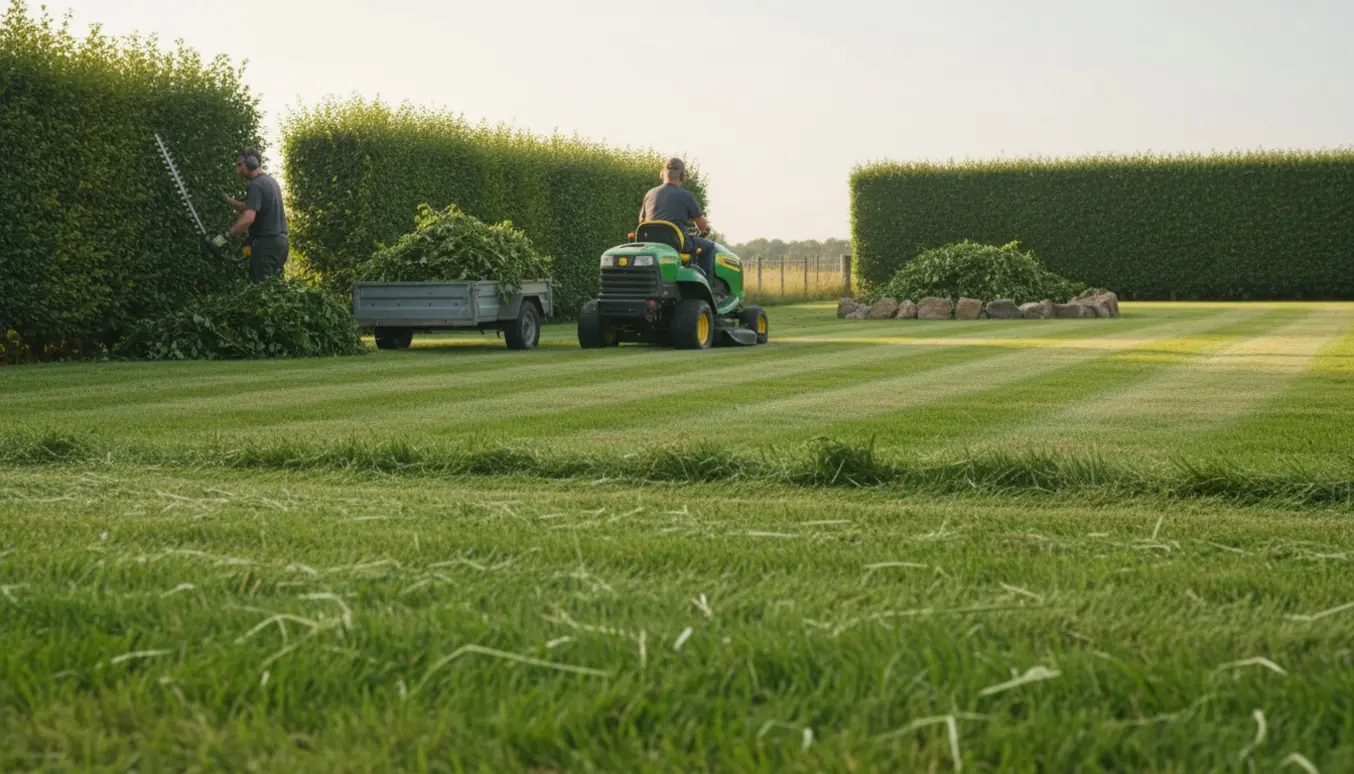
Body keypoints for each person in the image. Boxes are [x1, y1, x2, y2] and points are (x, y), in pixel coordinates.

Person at [639, 157, 718, 282]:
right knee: (710, 247)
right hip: (678, 245)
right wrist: (703, 228)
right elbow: (702, 226)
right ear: (682, 177)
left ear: (662, 175)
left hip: (650, 245)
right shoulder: (686, 196)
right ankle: (708, 285)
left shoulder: (650, 194)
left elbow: (642, 222)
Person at [216, 148, 289, 282]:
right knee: (277, 287)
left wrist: (225, 237)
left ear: (252, 162)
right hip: (280, 244)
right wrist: (229, 201)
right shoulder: (270, 182)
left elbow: (248, 217)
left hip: (265, 245)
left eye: (240, 165)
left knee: (262, 289)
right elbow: (251, 207)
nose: (238, 170)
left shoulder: (255, 185)